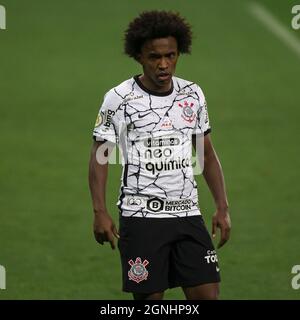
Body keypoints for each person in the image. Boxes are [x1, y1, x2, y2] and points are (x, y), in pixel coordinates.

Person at [88, 10, 231, 300]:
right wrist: (100, 212)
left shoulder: (192, 94)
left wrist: (222, 207)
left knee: (208, 296)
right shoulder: (119, 98)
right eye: (155, 57)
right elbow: (100, 157)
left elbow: (206, 154)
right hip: (141, 218)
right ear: (139, 56)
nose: (164, 64)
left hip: (187, 213)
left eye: (171, 55)